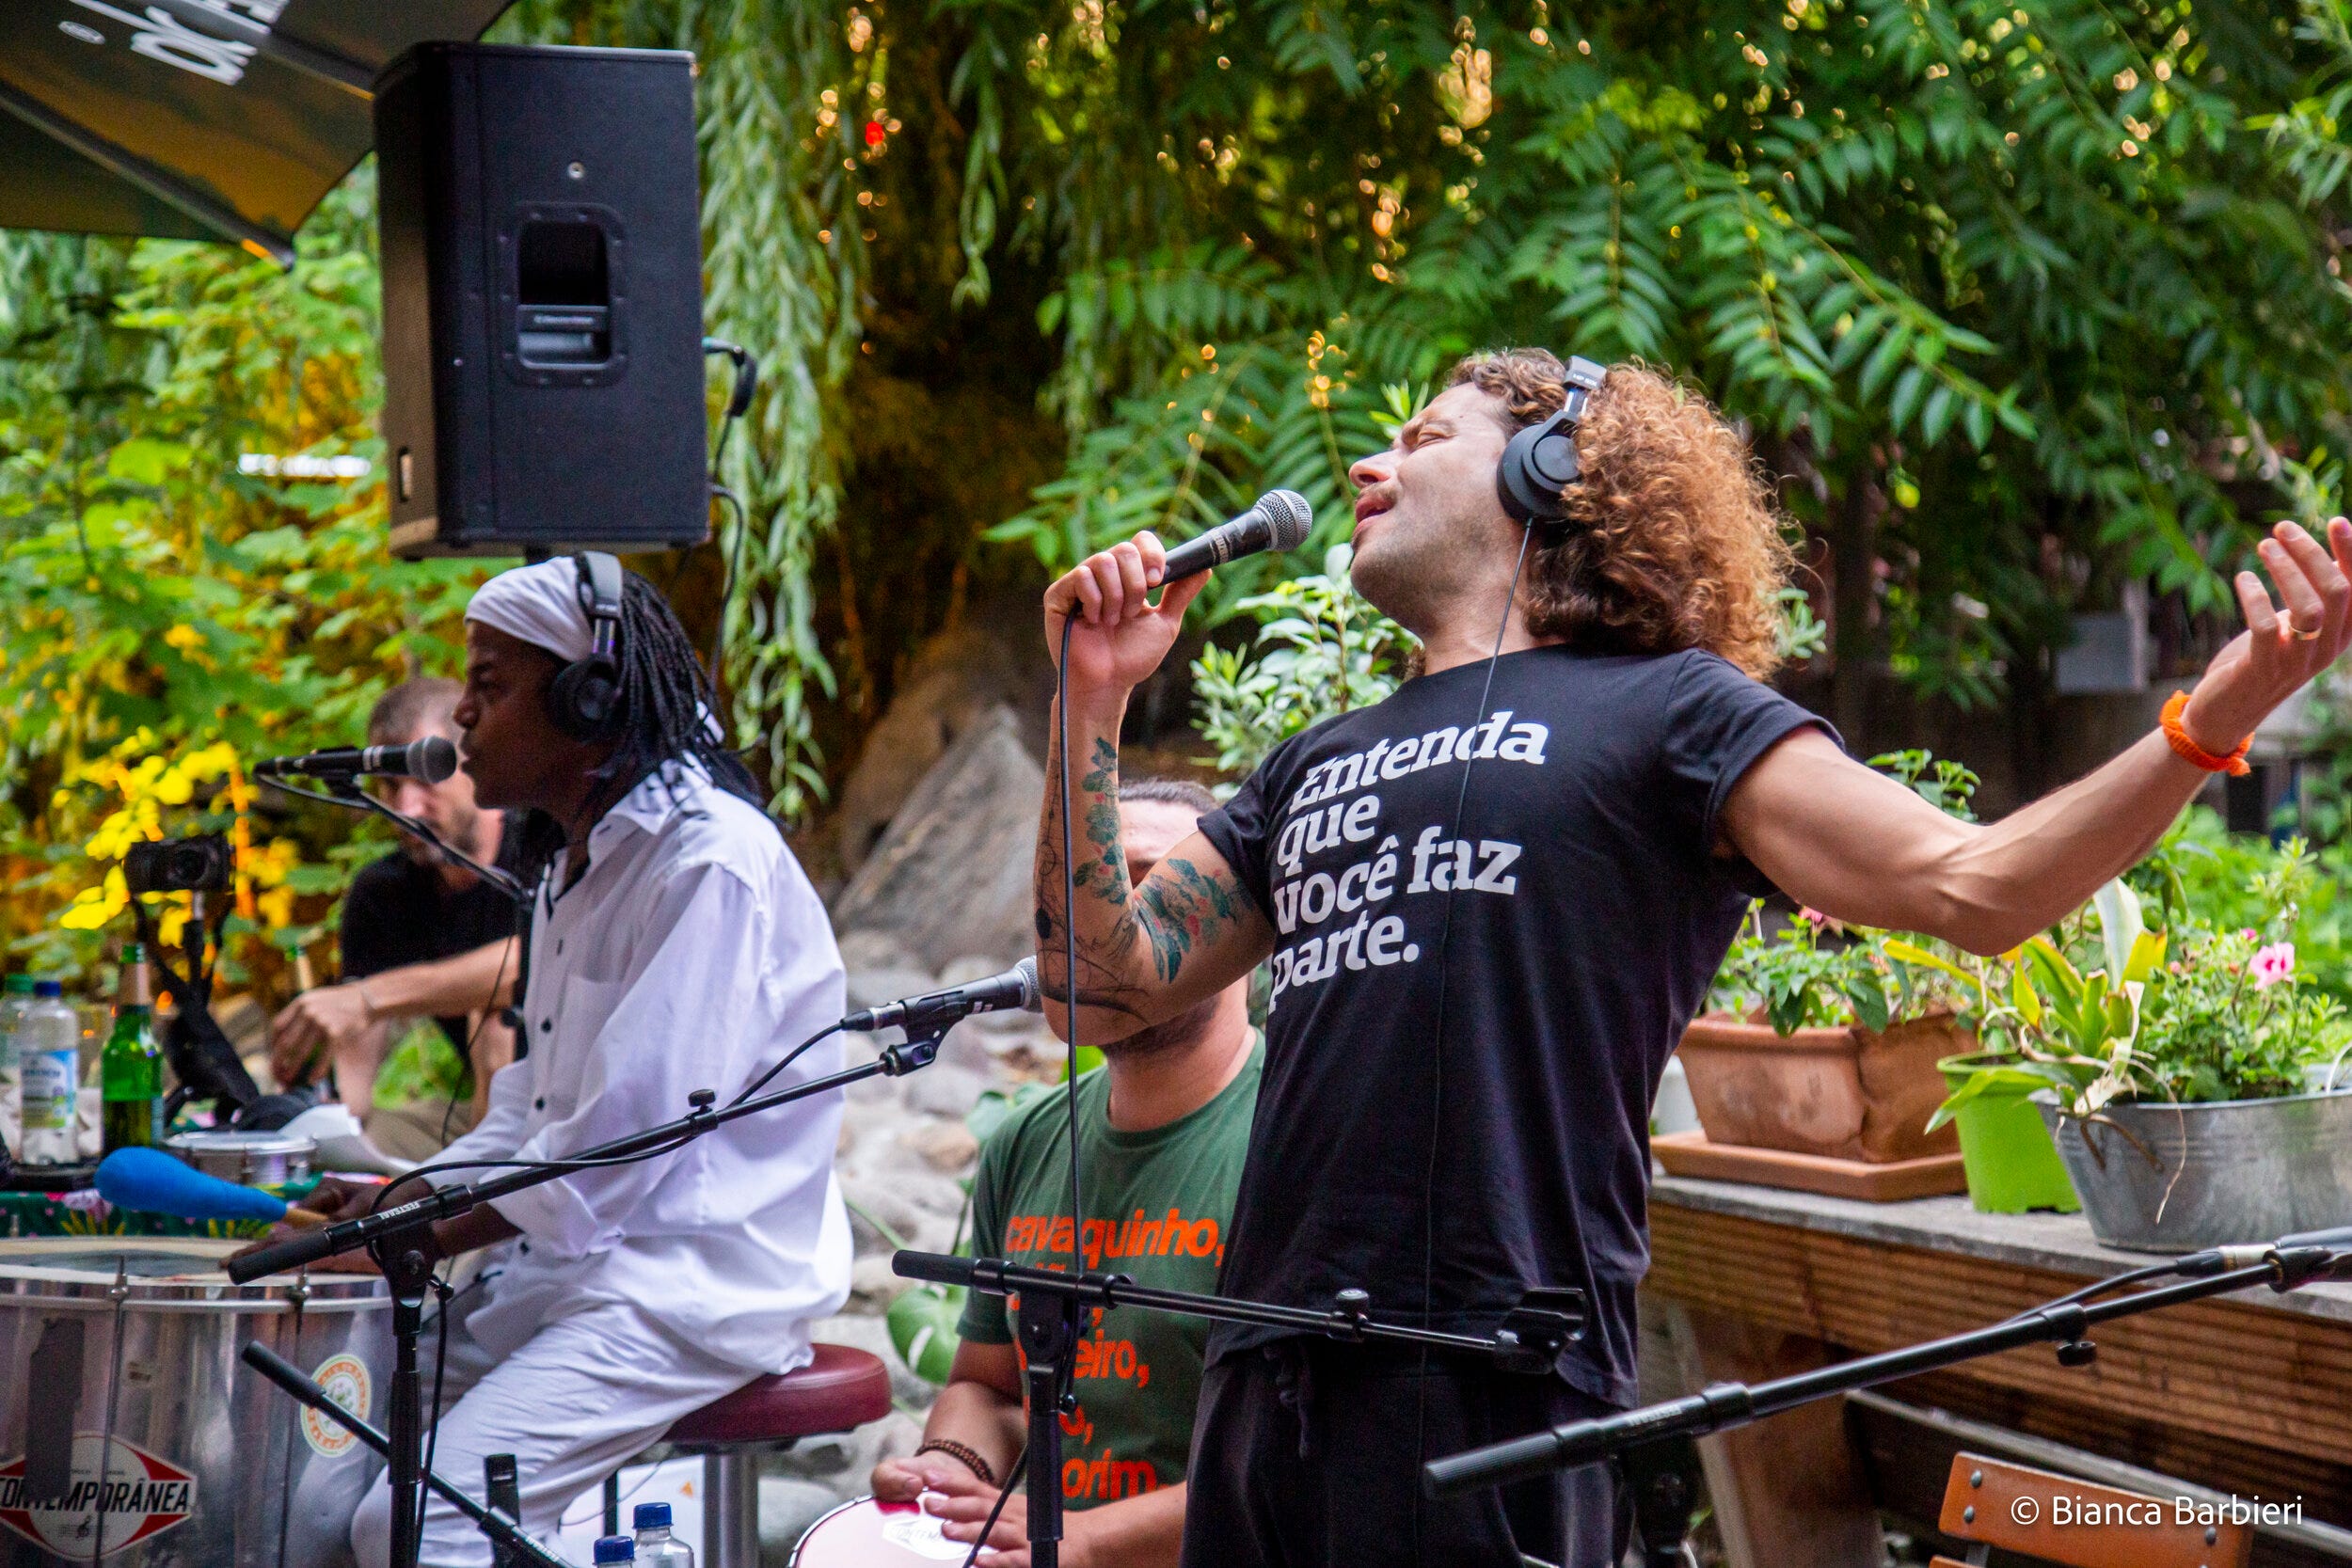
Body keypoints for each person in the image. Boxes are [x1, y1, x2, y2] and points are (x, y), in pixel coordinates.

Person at [1030, 348, 2352, 1568]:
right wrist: (1091, 695)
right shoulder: (1308, 762)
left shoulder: (1674, 713)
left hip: (1491, 1380)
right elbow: (1098, 987)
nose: (1370, 465)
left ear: (1550, 469)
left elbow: (1979, 883)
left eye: (1425, 436)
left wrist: (2207, 719)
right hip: (1262, 1382)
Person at [254, 556, 852, 1568]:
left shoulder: (706, 861)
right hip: (575, 1271)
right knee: (320, 1469)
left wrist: (411, 1231)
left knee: (417, 1522)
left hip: (687, 1290)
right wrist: (396, 1198)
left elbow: (618, 1149)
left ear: (590, 701)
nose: (462, 718)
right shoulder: (574, 867)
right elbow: (524, 1116)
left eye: (487, 685)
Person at [870, 778, 1261, 1568]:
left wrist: (1089, 1538)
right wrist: (951, 1468)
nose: (1104, 918)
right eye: (1084, 890)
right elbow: (990, 1387)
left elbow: (1305, 1465)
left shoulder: (1300, 1139)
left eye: (1149, 881)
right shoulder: (1027, 1139)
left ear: (1247, 929)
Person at [268, 677, 524, 1157]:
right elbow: (355, 1071)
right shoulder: (382, 892)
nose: (406, 807)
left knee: (495, 1023)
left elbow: (528, 964)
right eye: (390, 784)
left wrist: (367, 998)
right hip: (477, 1122)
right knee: (346, 1142)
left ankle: (488, 1189)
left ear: (472, 762)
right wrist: (318, 1107)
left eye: (425, 778)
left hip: (584, 1121)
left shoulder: (541, 845)